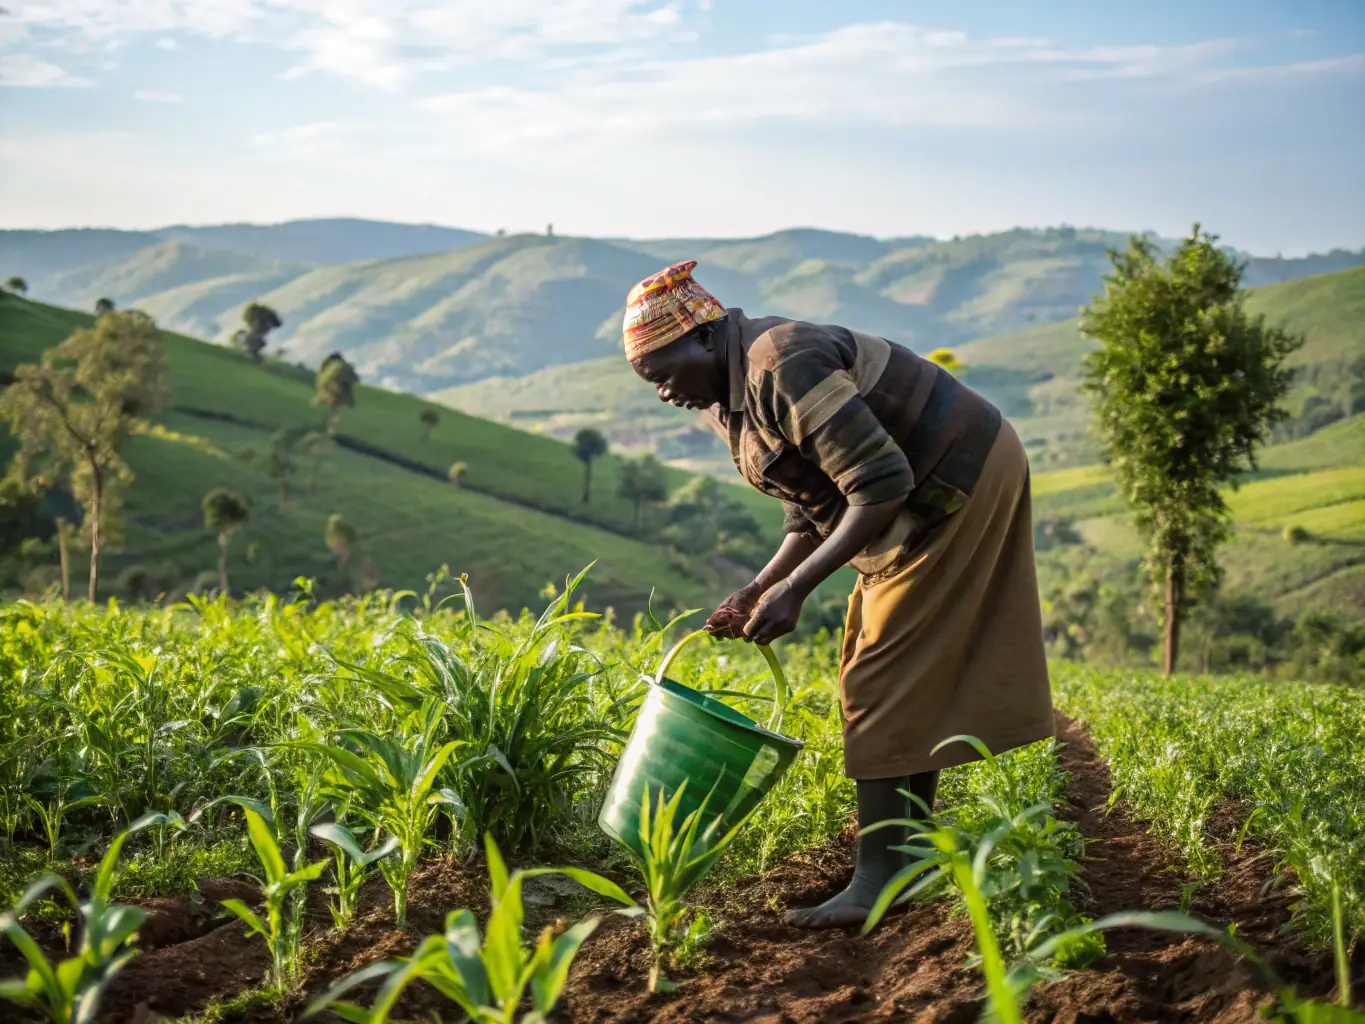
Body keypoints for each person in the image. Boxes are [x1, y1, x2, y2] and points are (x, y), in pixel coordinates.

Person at [622, 260, 1055, 929]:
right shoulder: (725, 402)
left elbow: (879, 484)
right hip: (913, 488)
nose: (661, 392)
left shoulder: (778, 362)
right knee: (879, 658)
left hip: (957, 472)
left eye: (660, 372)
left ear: (704, 336)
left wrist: (796, 589)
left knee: (879, 671)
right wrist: (759, 585)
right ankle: (907, 859)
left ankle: (880, 878)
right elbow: (813, 500)